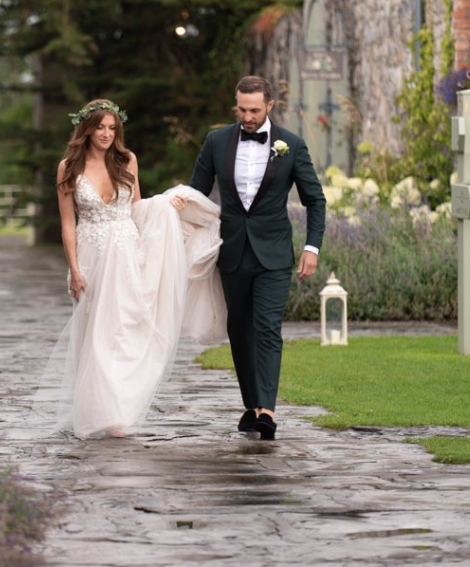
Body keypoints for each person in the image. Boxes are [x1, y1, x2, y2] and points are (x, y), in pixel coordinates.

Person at [43, 99, 225, 439]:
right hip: (92, 257)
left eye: (112, 128)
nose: (107, 134)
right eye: (100, 127)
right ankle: (101, 411)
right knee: (96, 333)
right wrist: (75, 268)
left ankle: (118, 409)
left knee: (124, 331)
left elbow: (138, 209)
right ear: (86, 128)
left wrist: (167, 207)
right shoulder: (68, 167)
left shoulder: (127, 161)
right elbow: (68, 224)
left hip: (127, 253)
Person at [189, 75, 326, 440]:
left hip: (274, 253)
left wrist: (312, 248)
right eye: (241, 109)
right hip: (231, 251)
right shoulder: (217, 141)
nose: (247, 116)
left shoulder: (291, 145)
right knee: (239, 329)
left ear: (269, 106)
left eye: (254, 110)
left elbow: (315, 199)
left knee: (266, 328)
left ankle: (267, 410)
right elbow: (196, 193)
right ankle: (252, 405)